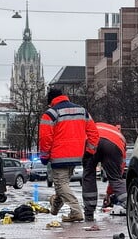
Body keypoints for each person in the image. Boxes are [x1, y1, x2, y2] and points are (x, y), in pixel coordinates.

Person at [39, 87, 99, 222]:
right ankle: (54, 208)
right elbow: (94, 133)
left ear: (51, 101)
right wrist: (89, 151)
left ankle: (76, 211)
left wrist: (44, 155)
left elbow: (45, 138)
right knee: (62, 185)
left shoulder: (50, 113)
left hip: (59, 156)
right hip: (76, 156)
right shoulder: (82, 111)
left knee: (61, 185)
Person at [82, 122, 127, 222]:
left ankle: (89, 213)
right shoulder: (120, 136)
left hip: (91, 141)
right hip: (113, 145)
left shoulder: (95, 126)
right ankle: (131, 205)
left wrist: (108, 194)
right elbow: (119, 171)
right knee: (116, 179)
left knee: (89, 175)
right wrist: (109, 193)